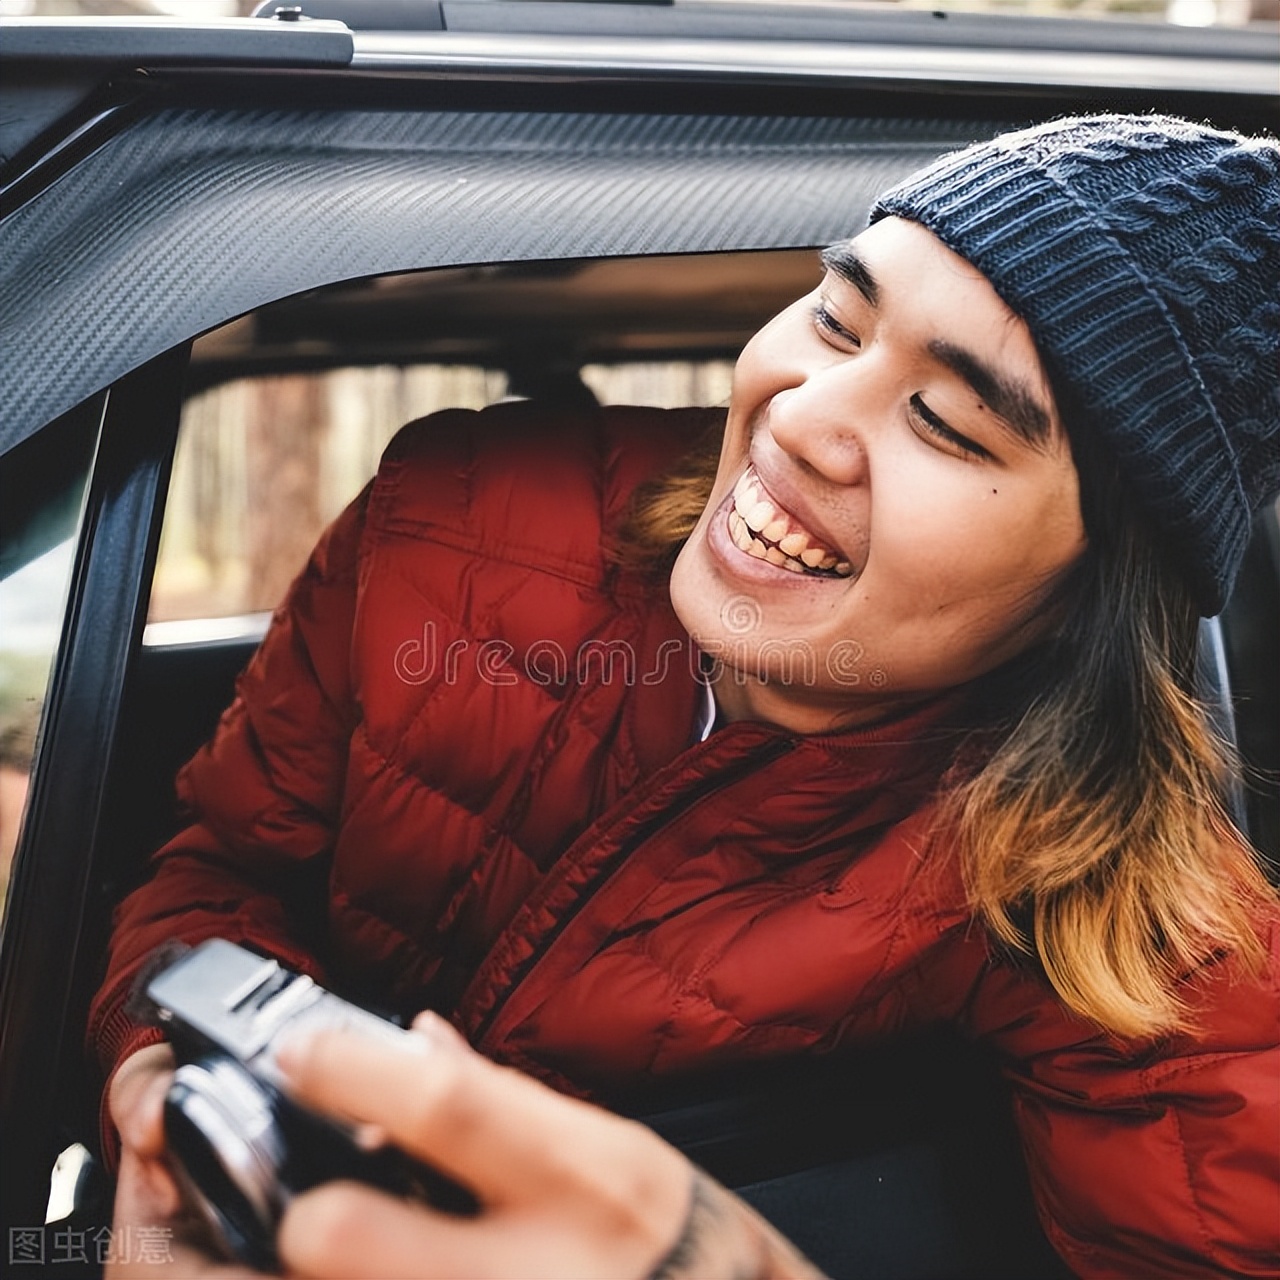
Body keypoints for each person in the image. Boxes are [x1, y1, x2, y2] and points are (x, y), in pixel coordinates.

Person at [94, 113, 1280, 1278]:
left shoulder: (1122, 900)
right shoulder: (445, 514)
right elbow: (224, 868)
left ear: (1091, 590)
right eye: (834, 319)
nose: (801, 416)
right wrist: (162, 1078)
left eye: (946, 420)